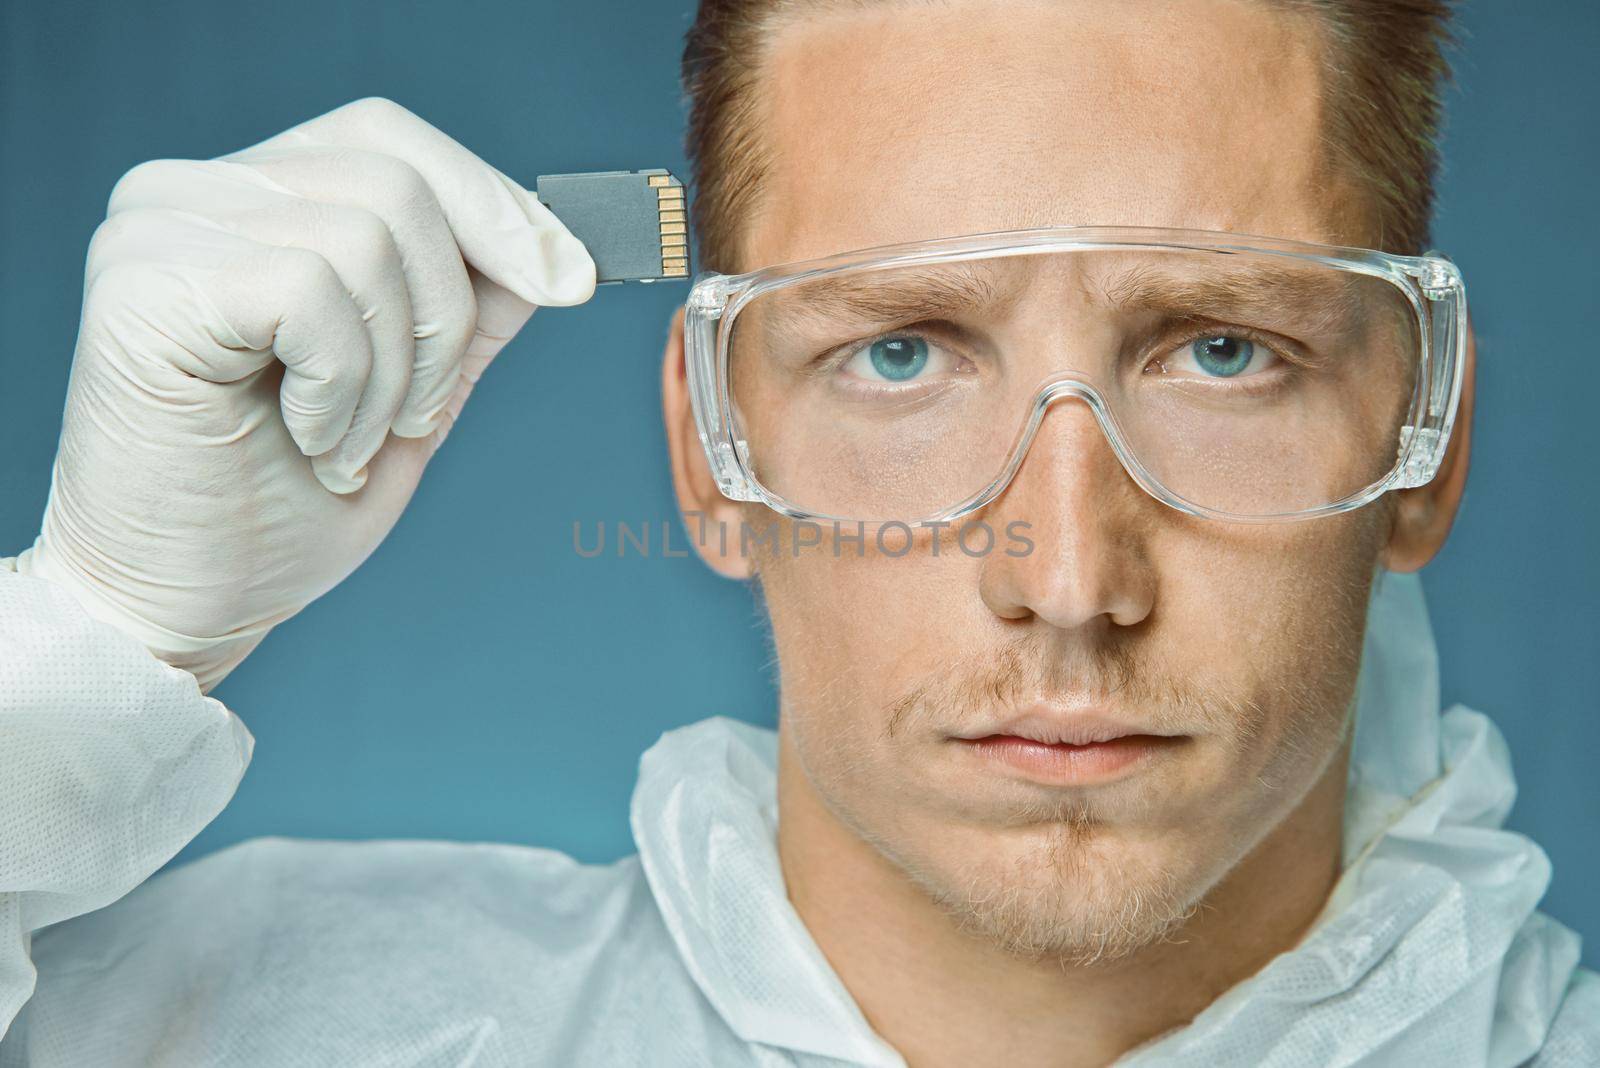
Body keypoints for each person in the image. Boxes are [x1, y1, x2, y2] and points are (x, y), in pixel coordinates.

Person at [0, 1, 1595, 1064]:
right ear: (711, 454)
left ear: (1421, 442)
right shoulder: (230, 1024)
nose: (1066, 581)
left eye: (1221, 349)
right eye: (899, 351)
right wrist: (88, 638)